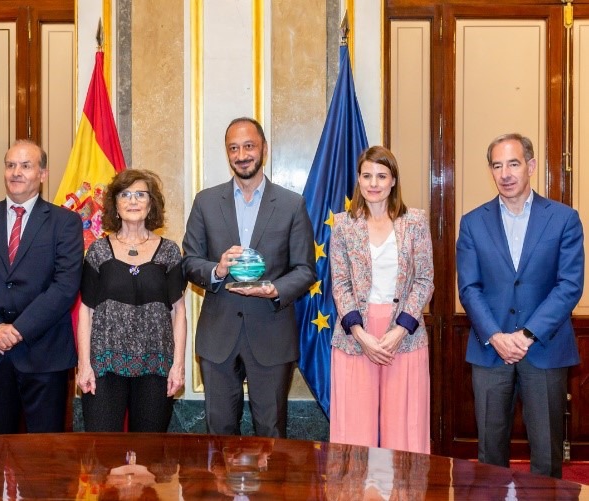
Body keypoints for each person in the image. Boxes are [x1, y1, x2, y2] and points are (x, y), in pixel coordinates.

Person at [456, 133, 584, 478]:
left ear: (530, 166)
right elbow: (469, 288)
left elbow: (569, 285)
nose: (505, 173)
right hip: (489, 351)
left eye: (513, 164)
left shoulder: (563, 218)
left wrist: (527, 335)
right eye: (497, 166)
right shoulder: (472, 222)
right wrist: (496, 336)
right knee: (490, 453)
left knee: (546, 454)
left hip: (545, 348)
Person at [182, 117, 316, 438]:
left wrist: (275, 289)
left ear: (264, 150)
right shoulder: (206, 202)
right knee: (220, 435)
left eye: (249, 146)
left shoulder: (291, 204)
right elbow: (188, 262)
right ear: (227, 153)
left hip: (271, 333)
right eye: (234, 148)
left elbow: (305, 269)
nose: (242, 154)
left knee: (271, 435)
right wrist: (217, 269)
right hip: (219, 337)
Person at [0, 139, 83, 435]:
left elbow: (65, 285)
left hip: (44, 352)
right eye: (11, 165)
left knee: (45, 456)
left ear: (42, 174)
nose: (16, 172)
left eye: (26, 166)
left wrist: (19, 329)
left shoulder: (65, 222)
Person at [329, 145, 434, 454]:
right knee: (353, 432)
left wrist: (399, 330)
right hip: (354, 336)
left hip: (405, 335)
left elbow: (425, 280)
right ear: (358, 181)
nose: (373, 183)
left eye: (381, 176)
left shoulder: (415, 222)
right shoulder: (343, 225)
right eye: (367, 176)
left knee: (405, 430)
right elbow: (340, 284)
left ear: (393, 181)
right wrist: (361, 335)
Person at [76, 169, 186, 432]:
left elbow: (178, 312)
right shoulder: (98, 251)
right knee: (103, 454)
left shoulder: (169, 251)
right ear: (115, 205)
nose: (133, 201)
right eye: (125, 195)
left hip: (156, 366)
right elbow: (85, 311)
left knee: (150, 456)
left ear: (151, 205)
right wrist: (84, 365)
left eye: (140, 194)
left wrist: (178, 365)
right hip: (104, 365)